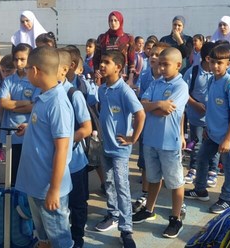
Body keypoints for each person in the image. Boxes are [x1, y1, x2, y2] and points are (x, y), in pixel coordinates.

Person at [15, 46, 74, 248]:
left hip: (48, 188)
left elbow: (62, 148)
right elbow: (46, 131)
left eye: (27, 67)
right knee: (44, 238)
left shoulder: (57, 102)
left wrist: (54, 190)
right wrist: (29, 128)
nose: (25, 71)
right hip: (36, 185)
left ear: (36, 70)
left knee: (60, 240)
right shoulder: (43, 97)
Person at [132, 47, 188, 239]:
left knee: (174, 181)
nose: (162, 68)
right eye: (160, 64)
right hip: (151, 140)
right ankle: (149, 209)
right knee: (153, 178)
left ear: (178, 65)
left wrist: (153, 106)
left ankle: (175, 217)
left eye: (166, 64)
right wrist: (158, 104)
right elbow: (142, 104)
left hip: (169, 143)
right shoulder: (156, 83)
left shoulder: (181, 86)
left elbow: (167, 111)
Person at [95, 50, 146, 248]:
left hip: (120, 149)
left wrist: (133, 137)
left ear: (118, 67)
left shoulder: (125, 91)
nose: (102, 65)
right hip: (105, 146)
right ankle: (113, 214)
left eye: (106, 62)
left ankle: (126, 229)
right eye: (101, 61)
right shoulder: (102, 89)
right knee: (108, 183)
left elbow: (140, 114)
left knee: (122, 187)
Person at [184, 45, 230, 215]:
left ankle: (226, 199)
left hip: (227, 137)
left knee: (229, 167)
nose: (216, 66)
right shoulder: (211, 80)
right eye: (213, 62)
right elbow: (212, 108)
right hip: (212, 133)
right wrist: (209, 128)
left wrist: (227, 139)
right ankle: (200, 190)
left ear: (228, 64)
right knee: (202, 158)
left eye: (220, 63)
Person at [57, 49, 92, 248]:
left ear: (63, 70)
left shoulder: (73, 93)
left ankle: (77, 239)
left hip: (74, 163)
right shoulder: (45, 93)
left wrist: (66, 144)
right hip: (54, 162)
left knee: (77, 204)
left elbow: (86, 128)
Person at [0, 43, 37, 186]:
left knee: (29, 173)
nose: (19, 63)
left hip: (29, 133)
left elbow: (35, 106)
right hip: (11, 135)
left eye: (23, 59)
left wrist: (13, 105)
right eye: (16, 59)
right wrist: (25, 103)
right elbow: (3, 103)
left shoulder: (34, 81)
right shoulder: (8, 80)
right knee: (12, 174)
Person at [183, 42, 220, 188]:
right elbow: (183, 92)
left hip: (214, 119)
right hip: (196, 117)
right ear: (206, 58)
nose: (216, 64)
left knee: (213, 144)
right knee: (196, 143)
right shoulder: (192, 72)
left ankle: (213, 170)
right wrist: (195, 105)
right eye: (214, 60)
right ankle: (193, 169)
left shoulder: (218, 76)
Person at [93, 11, 135, 84]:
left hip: (122, 77)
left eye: (116, 20)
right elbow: (96, 58)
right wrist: (97, 72)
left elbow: (131, 61)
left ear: (120, 21)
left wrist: (131, 78)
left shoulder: (128, 38)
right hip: (105, 77)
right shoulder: (102, 38)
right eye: (111, 20)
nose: (113, 23)